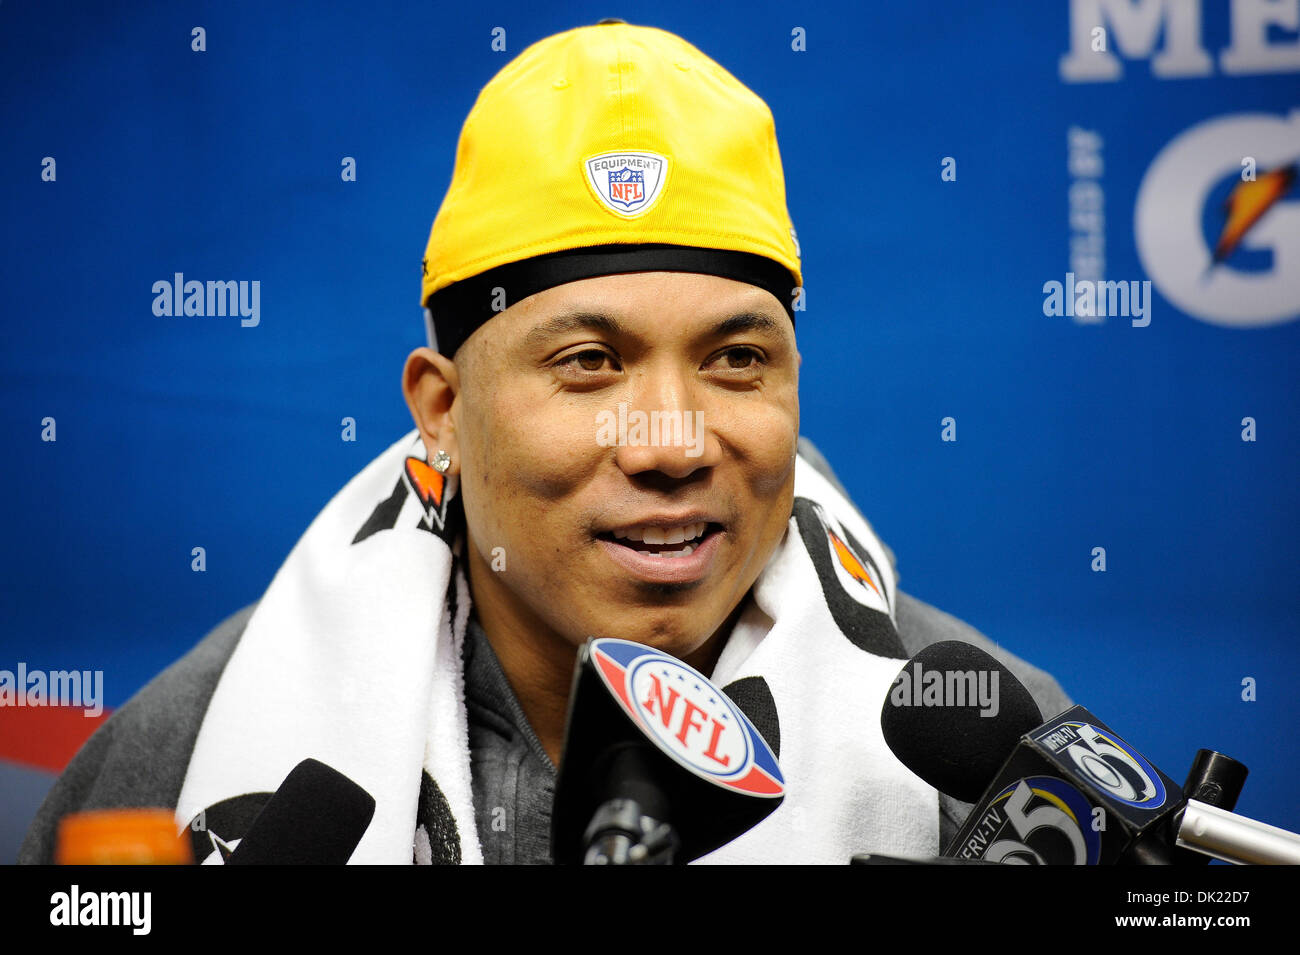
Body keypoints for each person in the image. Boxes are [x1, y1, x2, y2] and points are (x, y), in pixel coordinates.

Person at [20, 20, 1070, 865]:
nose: (670, 442)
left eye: (736, 360)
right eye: (588, 362)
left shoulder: (995, 762)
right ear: (441, 411)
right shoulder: (180, 751)